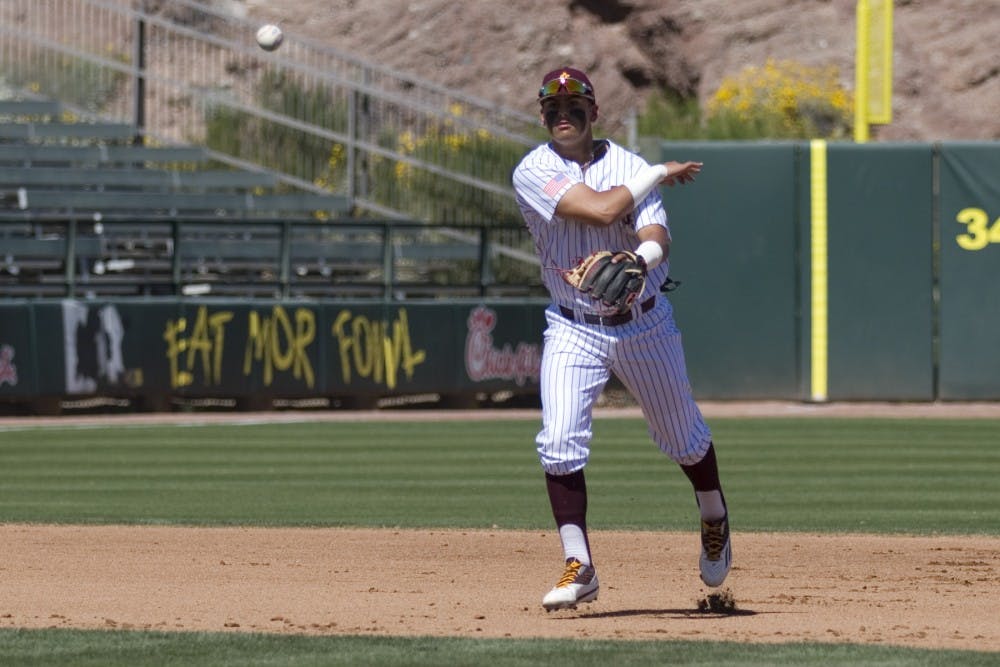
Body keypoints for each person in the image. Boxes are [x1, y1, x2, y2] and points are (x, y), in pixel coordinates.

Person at [511, 67, 732, 612]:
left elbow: (656, 234)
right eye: (554, 108)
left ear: (594, 112)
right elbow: (604, 209)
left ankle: (713, 514)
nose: (564, 115)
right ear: (542, 117)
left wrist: (640, 257)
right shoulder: (534, 169)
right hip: (573, 323)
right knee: (559, 441)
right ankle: (578, 564)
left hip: (644, 321)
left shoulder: (627, 165)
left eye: (575, 106)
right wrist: (658, 170)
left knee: (683, 437)